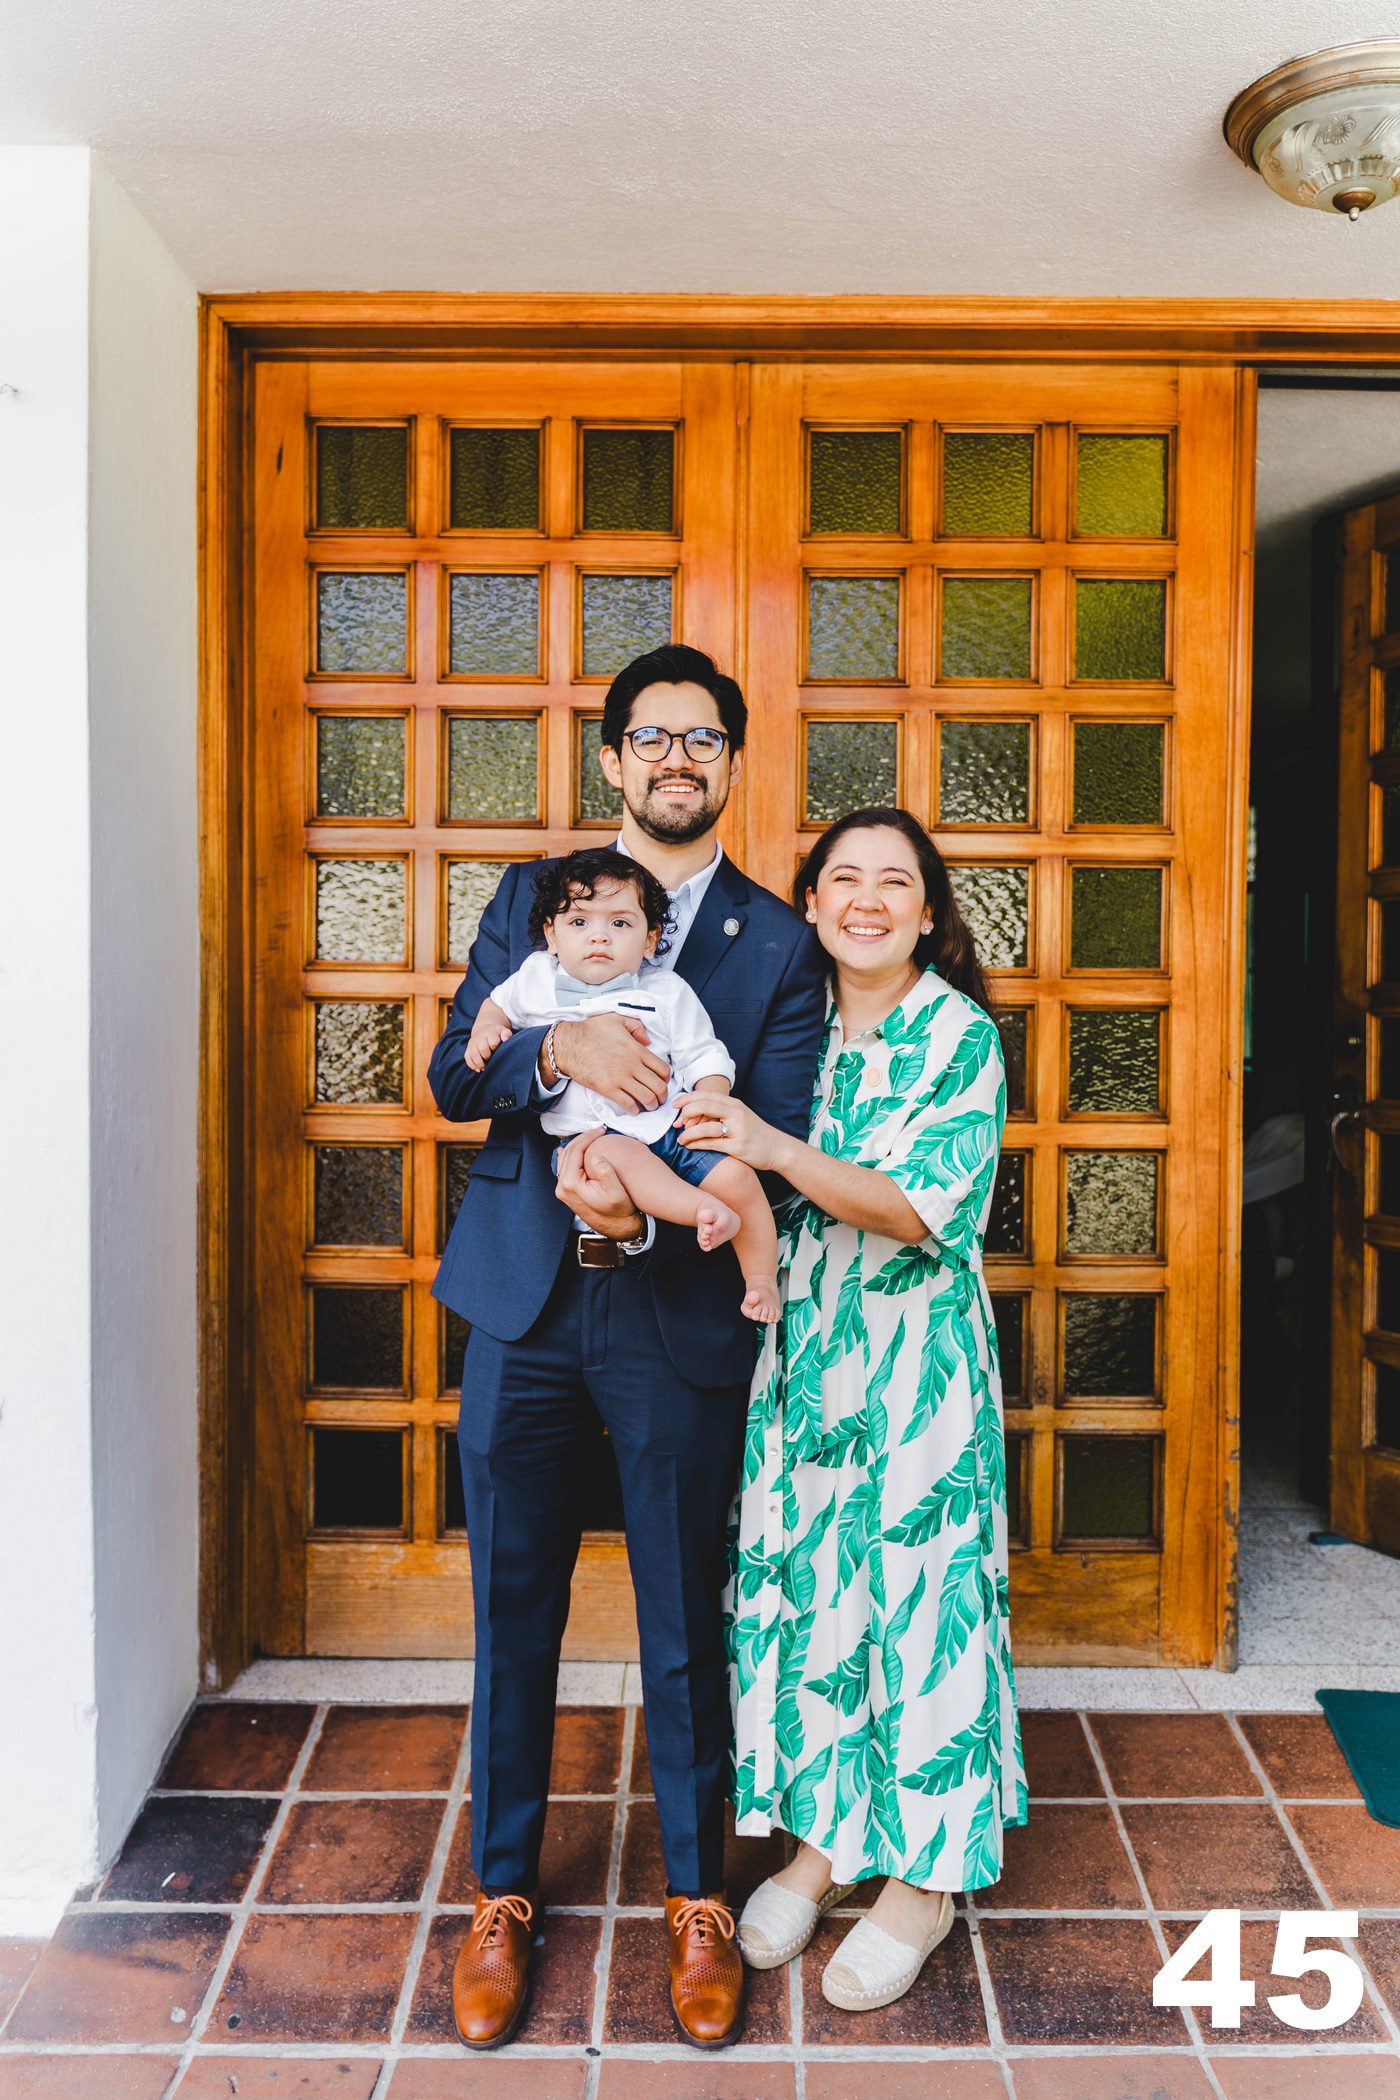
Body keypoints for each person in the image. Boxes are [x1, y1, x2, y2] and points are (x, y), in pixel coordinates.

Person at [427, 644, 827, 2051]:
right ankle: (500, 1890)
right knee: (512, 1607)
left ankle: (696, 1896)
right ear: (611, 759)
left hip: (676, 1310)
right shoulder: (534, 903)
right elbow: (454, 1078)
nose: (675, 759)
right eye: (651, 737)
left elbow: (772, 1126)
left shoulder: (775, 942)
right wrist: (561, 1054)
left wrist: (648, 1172)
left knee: (682, 1613)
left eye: (701, 739)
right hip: (524, 1304)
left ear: (732, 763)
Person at [672, 806, 1027, 2014]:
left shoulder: (956, 1035)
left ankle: (923, 1882)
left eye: (893, 882)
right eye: (842, 879)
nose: (865, 900)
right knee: (819, 1596)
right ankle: (825, 1848)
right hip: (807, 1355)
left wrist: (772, 1148)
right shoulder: (792, 1019)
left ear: (927, 913)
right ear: (811, 904)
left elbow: (916, 1210)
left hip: (915, 1366)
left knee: (922, 1606)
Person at [468, 846, 780, 1321]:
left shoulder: (666, 992)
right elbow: (495, 1005)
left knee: (739, 1176)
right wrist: (487, 1029)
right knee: (615, 1157)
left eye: (619, 923)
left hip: (671, 1126)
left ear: (651, 939)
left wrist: (710, 1096)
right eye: (579, 922)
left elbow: (704, 1053)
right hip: (592, 1141)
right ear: (551, 935)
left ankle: (760, 1280)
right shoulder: (535, 979)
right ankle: (702, 1210)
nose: (599, 936)